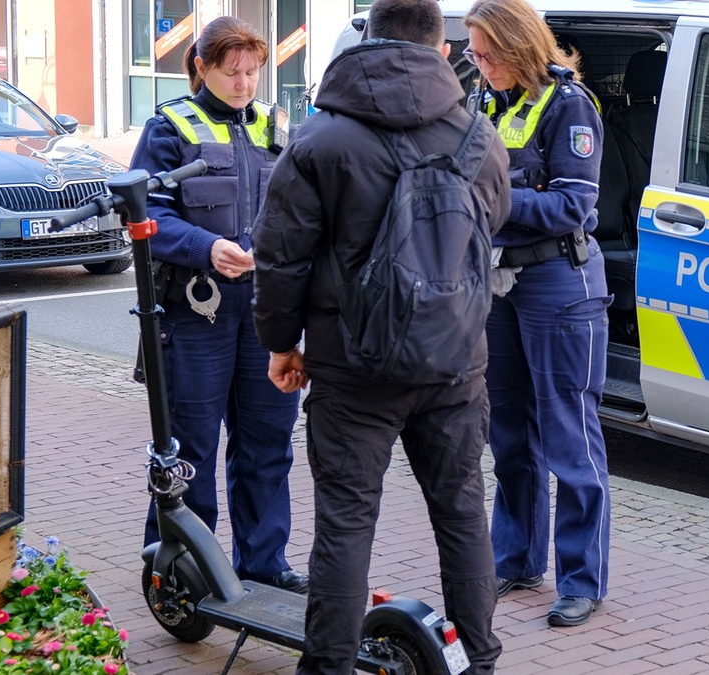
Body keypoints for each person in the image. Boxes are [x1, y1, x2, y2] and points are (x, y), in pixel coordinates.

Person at [249, 0, 511, 671]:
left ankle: (328, 666)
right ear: (442, 49)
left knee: (345, 524)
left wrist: (281, 343)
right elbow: (491, 225)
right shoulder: (479, 136)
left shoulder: (321, 138)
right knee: (462, 515)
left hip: (352, 363)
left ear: (367, 41)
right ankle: (480, 662)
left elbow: (280, 255)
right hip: (455, 361)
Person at [128, 16, 307, 594]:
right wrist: (206, 247)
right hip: (195, 312)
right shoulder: (169, 127)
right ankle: (181, 568)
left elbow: (304, 210)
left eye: (253, 72)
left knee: (267, 443)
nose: (244, 84)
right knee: (190, 447)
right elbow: (147, 215)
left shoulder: (279, 127)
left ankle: (264, 562)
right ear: (201, 67)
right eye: (232, 72)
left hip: (265, 311)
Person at [464, 0, 613, 627]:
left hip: (559, 282)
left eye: (489, 53)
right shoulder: (483, 101)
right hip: (499, 282)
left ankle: (582, 579)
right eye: (474, 54)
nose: (481, 64)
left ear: (520, 44)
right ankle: (517, 557)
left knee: (569, 436)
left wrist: (492, 199)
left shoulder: (569, 105)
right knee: (508, 434)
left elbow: (571, 205)